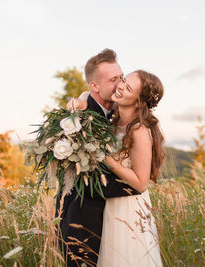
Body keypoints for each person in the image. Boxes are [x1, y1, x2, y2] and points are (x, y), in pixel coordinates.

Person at [56, 48, 141, 267]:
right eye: (113, 79)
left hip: (118, 224)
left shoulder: (120, 113)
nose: (121, 84)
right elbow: (87, 181)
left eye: (122, 77)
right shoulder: (78, 121)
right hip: (84, 225)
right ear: (94, 86)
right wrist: (137, 185)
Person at [71, 70, 165, 266]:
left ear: (139, 102)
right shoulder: (114, 115)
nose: (121, 86)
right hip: (110, 204)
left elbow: (141, 183)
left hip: (129, 208)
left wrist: (106, 158)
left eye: (128, 88)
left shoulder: (139, 129)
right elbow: (90, 96)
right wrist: (79, 100)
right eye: (123, 80)